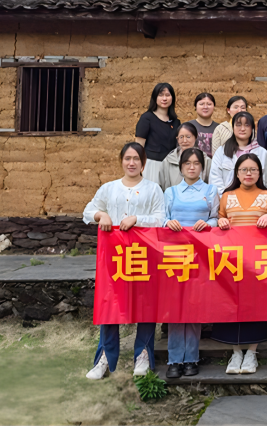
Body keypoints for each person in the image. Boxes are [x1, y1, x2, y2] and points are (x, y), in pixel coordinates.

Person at [84, 142, 166, 380]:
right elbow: (88, 211)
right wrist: (101, 214)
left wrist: (137, 219)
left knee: (145, 304)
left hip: (144, 256)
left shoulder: (153, 189)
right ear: (121, 161)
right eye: (127, 158)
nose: (131, 163)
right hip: (115, 258)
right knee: (111, 304)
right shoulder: (109, 188)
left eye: (136, 159)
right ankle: (105, 358)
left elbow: (160, 218)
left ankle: (143, 355)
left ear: (143, 163)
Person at [213, 154, 267, 375]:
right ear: (237, 173)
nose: (248, 174)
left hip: (258, 262)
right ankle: (235, 352)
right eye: (244, 170)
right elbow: (218, 219)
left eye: (253, 170)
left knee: (255, 305)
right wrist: (220, 220)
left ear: (259, 173)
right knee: (231, 304)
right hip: (231, 261)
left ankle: (251, 352)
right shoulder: (227, 196)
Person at [162, 148, 219, 379]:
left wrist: (207, 224)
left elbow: (216, 217)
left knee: (194, 305)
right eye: (187, 163)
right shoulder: (171, 192)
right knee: (175, 305)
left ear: (202, 167)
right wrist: (168, 223)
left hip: (200, 256)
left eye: (196, 163)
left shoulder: (210, 190)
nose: (192, 167)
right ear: (181, 167)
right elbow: (162, 218)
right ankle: (174, 359)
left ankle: (191, 358)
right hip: (174, 256)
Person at [209, 112, 267, 191]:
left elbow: (266, 179)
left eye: (247, 125)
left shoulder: (262, 152)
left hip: (255, 197)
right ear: (233, 127)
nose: (242, 129)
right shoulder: (221, 151)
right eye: (238, 125)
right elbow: (215, 179)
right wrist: (226, 197)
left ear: (252, 129)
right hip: (226, 197)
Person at [135, 83, 180, 185]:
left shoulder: (176, 122)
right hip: (151, 165)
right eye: (160, 95)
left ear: (172, 98)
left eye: (167, 95)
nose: (164, 98)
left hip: (171, 165)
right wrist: (139, 166)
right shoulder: (147, 118)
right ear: (155, 97)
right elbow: (138, 146)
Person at [159, 123, 212, 190]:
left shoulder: (206, 161)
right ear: (177, 139)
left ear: (195, 137)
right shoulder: (168, 160)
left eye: (188, 137)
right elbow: (161, 186)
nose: (184, 141)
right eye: (181, 137)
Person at [187, 92, 220, 157]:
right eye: (201, 104)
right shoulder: (187, 127)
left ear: (214, 107)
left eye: (209, 104)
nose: (205, 107)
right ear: (195, 107)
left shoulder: (220, 128)